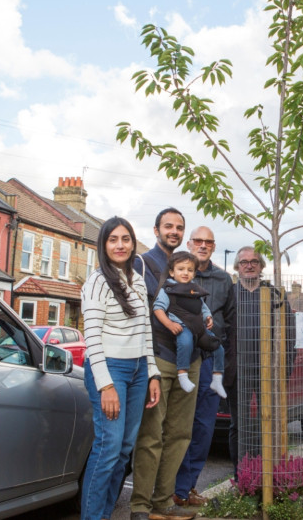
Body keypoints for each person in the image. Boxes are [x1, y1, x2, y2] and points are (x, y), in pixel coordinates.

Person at [79, 217, 162, 520]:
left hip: (139, 369)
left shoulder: (137, 280)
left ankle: (104, 514)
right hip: (110, 369)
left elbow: (145, 331)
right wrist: (106, 385)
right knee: (108, 449)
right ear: (103, 245)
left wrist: (152, 372)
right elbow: (92, 339)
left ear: (132, 242)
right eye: (113, 239)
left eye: (125, 239)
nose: (120, 245)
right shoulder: (97, 283)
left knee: (125, 449)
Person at [131, 208, 200, 520]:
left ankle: (163, 504)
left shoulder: (189, 266)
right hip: (159, 357)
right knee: (151, 435)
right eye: (168, 226)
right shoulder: (142, 264)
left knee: (180, 434)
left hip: (191, 359)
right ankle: (140, 507)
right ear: (156, 229)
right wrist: (147, 364)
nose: (174, 231)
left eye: (179, 227)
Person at [173, 226, 237, 508]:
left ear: (213, 246)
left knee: (203, 428)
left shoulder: (223, 279)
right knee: (179, 427)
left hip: (211, 361)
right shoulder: (177, 272)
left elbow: (232, 323)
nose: (202, 245)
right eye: (197, 241)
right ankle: (174, 487)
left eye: (208, 242)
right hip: (184, 360)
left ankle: (189, 487)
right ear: (190, 243)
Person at [228, 246, 293, 479]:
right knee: (239, 425)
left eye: (254, 261)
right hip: (238, 371)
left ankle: (269, 475)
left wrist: (284, 369)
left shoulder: (275, 294)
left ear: (262, 266)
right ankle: (241, 476)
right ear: (237, 266)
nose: (249, 265)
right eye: (243, 261)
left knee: (270, 422)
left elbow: (289, 333)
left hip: (269, 370)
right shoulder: (230, 294)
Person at [152, 251, 221, 394]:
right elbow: (158, 309)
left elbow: (202, 306)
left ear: (194, 273)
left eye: (190, 270)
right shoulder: (168, 290)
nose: (185, 273)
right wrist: (169, 324)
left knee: (218, 347)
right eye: (181, 269)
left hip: (198, 327)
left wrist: (208, 317)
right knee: (186, 342)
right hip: (182, 327)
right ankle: (182, 374)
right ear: (172, 272)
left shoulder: (194, 289)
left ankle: (217, 379)